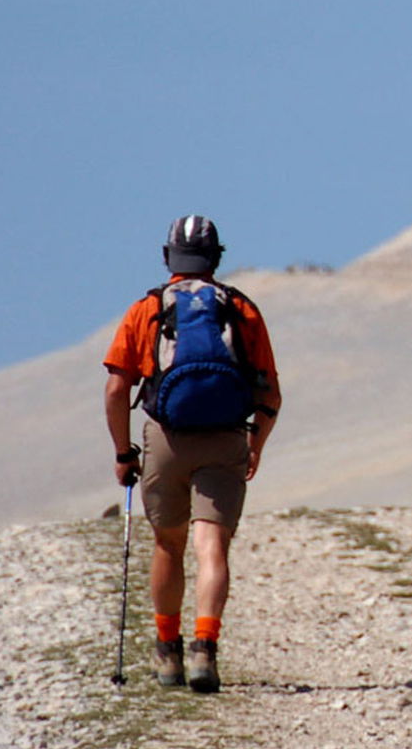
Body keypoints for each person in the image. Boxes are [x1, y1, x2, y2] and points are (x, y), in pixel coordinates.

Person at [104, 215, 281, 693]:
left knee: (168, 544)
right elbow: (271, 396)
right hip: (226, 437)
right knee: (212, 548)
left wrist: (124, 452)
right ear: (217, 259)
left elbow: (117, 388)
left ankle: (167, 654)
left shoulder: (146, 310)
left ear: (168, 259)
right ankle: (205, 649)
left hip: (166, 439)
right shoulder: (241, 310)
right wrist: (254, 445)